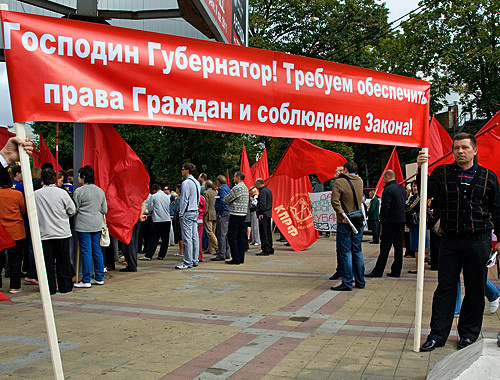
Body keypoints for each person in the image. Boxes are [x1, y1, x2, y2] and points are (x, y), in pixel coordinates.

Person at [418, 132, 500, 351]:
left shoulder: (488, 177)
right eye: (456, 148)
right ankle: (437, 335)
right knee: (445, 288)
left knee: (475, 289)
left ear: (474, 150)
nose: (460, 151)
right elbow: (425, 191)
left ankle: (468, 334)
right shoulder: (441, 172)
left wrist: (499, 240)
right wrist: (421, 169)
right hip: (450, 240)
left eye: (464, 147)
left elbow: (497, 210)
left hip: (478, 240)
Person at [34, 168, 76, 295]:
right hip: (62, 231)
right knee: (63, 261)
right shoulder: (62, 193)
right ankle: (65, 286)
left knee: (48, 263)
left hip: (44, 232)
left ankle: (49, 287)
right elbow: (72, 209)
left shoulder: (36, 194)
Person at [0, 136, 32, 293]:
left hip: (2, 230)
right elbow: (24, 210)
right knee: (15, 259)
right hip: (16, 230)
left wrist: (5, 156)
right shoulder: (17, 195)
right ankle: (14, 286)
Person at [330, 161, 365, 291]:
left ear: (345, 169)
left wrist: (342, 214)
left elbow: (335, 201)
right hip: (358, 219)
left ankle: (347, 282)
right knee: (357, 250)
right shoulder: (360, 180)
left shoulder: (340, 182)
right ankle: (360, 281)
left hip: (345, 221)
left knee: (345, 253)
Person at [366, 170, 406, 278]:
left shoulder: (388, 190)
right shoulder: (402, 189)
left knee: (385, 247)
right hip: (401, 221)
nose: (383, 180)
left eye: (383, 178)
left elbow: (385, 207)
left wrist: (382, 219)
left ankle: (378, 271)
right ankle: (396, 270)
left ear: (387, 177)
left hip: (390, 222)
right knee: (398, 247)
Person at [73, 165, 108, 288]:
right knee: (97, 250)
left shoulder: (79, 191)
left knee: (86, 251)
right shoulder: (100, 191)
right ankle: (99, 277)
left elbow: (74, 209)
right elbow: (104, 209)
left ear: (83, 177)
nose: (78, 178)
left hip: (83, 224)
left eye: (79, 176)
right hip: (97, 224)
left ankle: (86, 279)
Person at [176, 163, 201, 269]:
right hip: (195, 210)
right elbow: (199, 197)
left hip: (187, 211)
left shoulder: (186, 183)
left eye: (182, 169)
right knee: (194, 237)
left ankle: (187, 261)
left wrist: (181, 213)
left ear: (187, 170)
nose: (181, 171)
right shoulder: (196, 182)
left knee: (187, 238)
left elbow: (184, 199)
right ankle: (195, 259)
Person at [140, 184, 172, 260]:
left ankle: (149, 255)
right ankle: (161, 255)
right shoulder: (167, 197)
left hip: (158, 220)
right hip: (167, 219)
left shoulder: (153, 196)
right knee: (165, 239)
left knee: (153, 238)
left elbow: (150, 208)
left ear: (154, 190)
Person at [224, 171, 249, 265]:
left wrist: (229, 202)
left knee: (232, 236)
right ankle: (241, 257)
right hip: (243, 214)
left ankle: (235, 258)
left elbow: (226, 199)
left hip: (235, 214)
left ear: (238, 177)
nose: (233, 178)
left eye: (234, 177)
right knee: (241, 236)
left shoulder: (237, 188)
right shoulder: (245, 188)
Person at [405, 181, 429, 274]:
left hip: (417, 224)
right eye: (413, 186)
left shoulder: (418, 197)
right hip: (416, 224)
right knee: (417, 248)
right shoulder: (415, 197)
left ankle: (419, 268)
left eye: (416, 186)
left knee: (418, 247)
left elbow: (409, 208)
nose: (415, 188)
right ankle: (418, 267)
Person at [120, 201, 147, 272]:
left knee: (128, 242)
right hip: (136, 217)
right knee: (133, 241)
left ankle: (131, 264)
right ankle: (133, 263)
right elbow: (143, 204)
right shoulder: (137, 193)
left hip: (127, 218)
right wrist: (140, 215)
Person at [211, 175, 231, 261]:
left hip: (222, 213)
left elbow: (223, 201)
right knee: (225, 234)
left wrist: (220, 212)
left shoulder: (222, 189)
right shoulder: (227, 188)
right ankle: (227, 253)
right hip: (227, 212)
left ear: (219, 181)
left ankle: (221, 254)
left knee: (221, 234)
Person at [255, 179, 273, 256]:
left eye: (256, 185)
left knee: (263, 232)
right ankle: (270, 248)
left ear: (259, 184)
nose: (255, 186)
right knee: (268, 231)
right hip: (268, 213)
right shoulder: (268, 190)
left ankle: (265, 249)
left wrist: (260, 212)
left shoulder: (262, 192)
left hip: (263, 214)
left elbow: (262, 203)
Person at [203, 180, 218, 255]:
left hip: (208, 215)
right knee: (213, 232)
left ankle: (217, 247)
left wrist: (204, 213)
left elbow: (206, 204)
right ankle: (210, 248)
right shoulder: (215, 192)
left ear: (206, 186)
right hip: (215, 214)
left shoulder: (206, 193)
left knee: (209, 232)